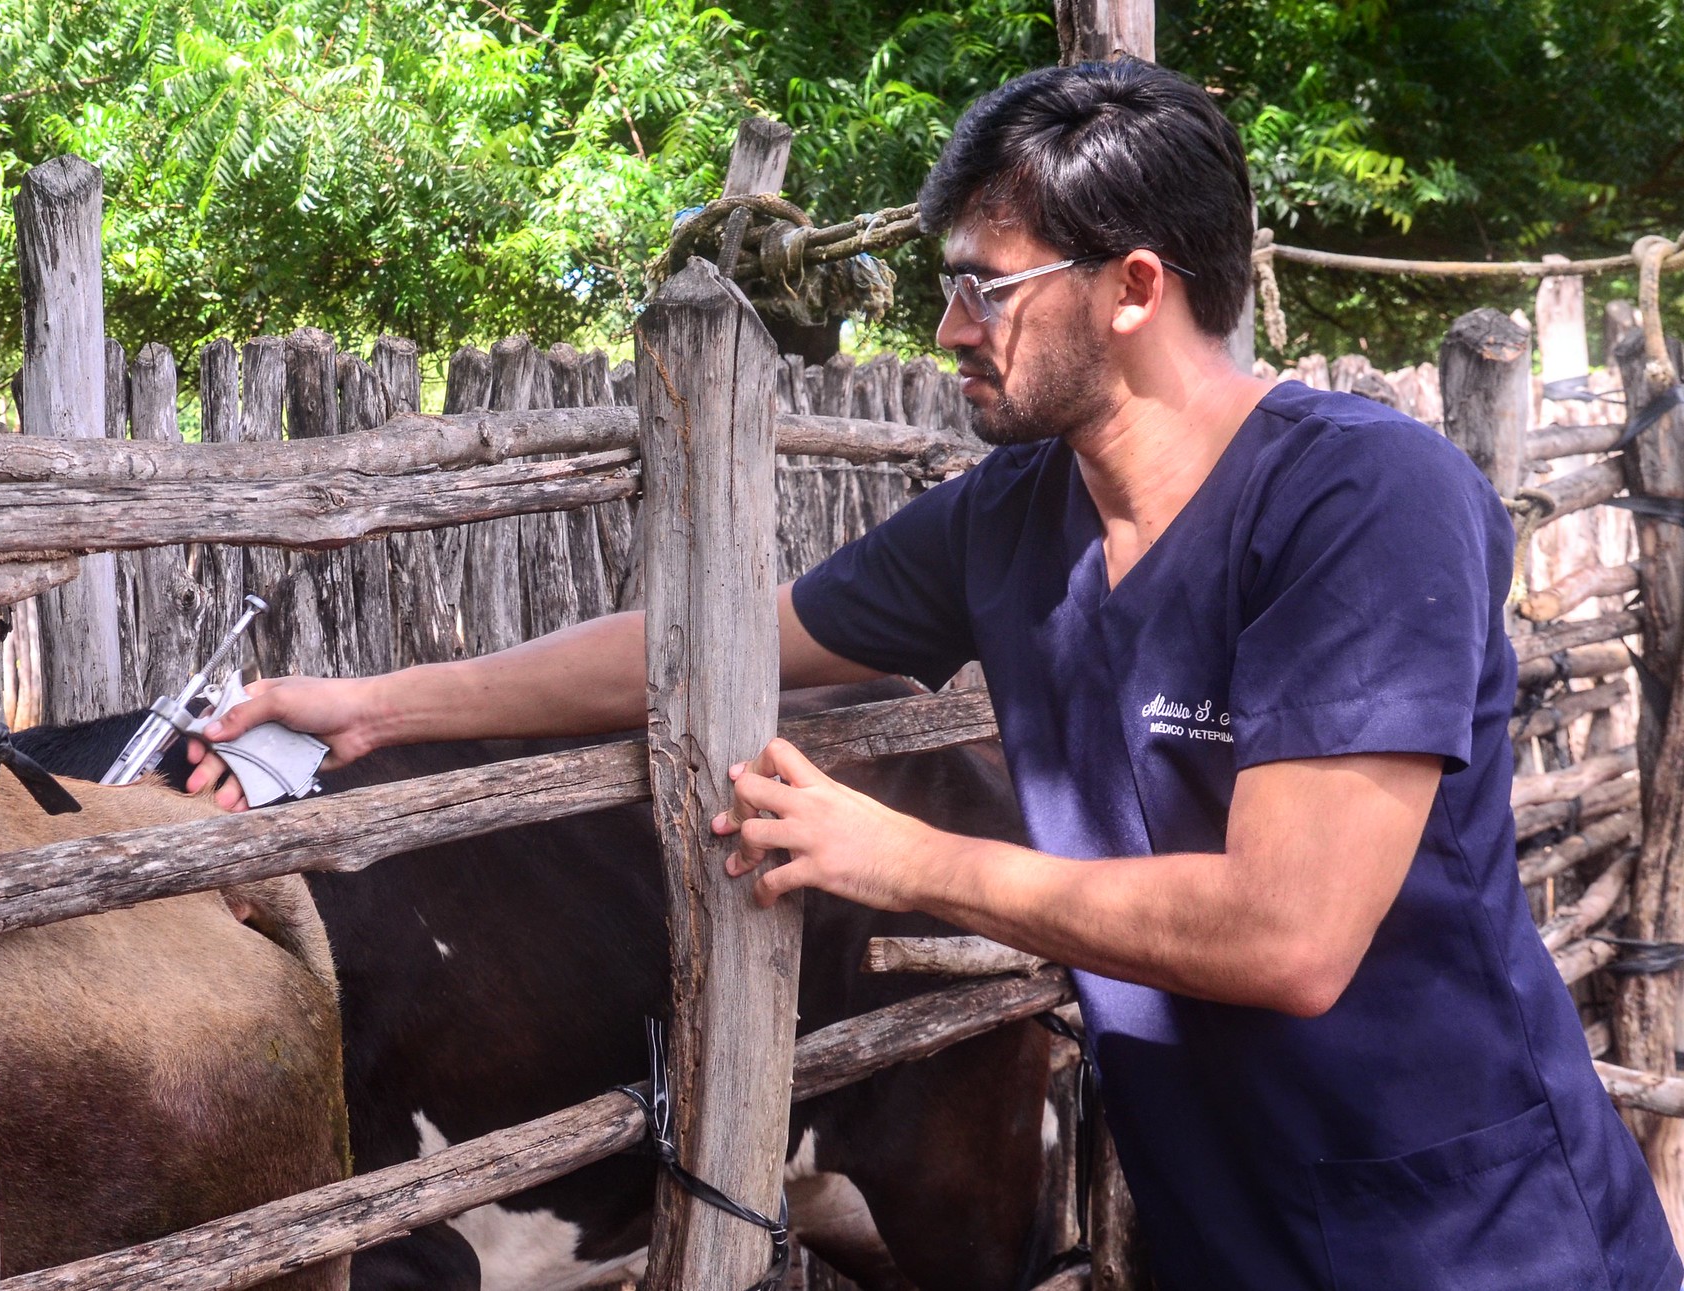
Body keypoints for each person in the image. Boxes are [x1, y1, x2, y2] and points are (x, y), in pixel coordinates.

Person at [190, 60, 1681, 1290]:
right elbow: (707, 644)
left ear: (1134, 288)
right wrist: (376, 705)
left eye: (982, 284)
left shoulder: (1369, 501)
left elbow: (1288, 935)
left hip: (1474, 1236)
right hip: (1227, 1233)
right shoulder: (1013, 519)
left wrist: (902, 859)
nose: (944, 326)